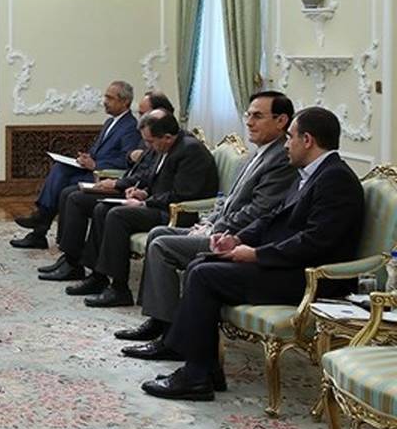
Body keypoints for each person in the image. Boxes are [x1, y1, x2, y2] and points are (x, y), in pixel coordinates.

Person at [144, 107, 365, 401]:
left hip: (312, 279)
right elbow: (272, 218)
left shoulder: (336, 179)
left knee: (205, 275)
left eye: (290, 137)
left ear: (307, 140)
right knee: (201, 263)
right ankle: (206, 369)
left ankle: (195, 376)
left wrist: (256, 254)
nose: (286, 145)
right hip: (287, 266)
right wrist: (237, 238)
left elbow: (315, 242)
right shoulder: (311, 173)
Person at [118, 91, 297, 357]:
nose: (249, 122)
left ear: (281, 121)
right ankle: (158, 320)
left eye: (258, 116)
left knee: (162, 246)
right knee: (158, 233)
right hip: (220, 227)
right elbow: (227, 201)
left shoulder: (282, 158)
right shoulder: (258, 153)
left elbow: (259, 210)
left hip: (237, 238)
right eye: (248, 115)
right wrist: (208, 221)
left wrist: (217, 228)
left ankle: (170, 335)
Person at [64, 110, 219, 307]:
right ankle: (98, 276)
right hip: (160, 205)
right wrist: (141, 193)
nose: (147, 147)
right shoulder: (165, 146)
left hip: (179, 213)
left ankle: (119, 289)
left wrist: (146, 202)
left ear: (167, 137)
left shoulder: (190, 150)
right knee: (102, 209)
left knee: (118, 215)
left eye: (150, 141)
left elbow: (183, 194)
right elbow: (155, 180)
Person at [37, 92, 174, 278]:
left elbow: (158, 180)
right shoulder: (151, 137)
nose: (140, 118)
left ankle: (85, 268)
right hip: (130, 187)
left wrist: (129, 189)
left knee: (78, 199)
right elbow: (138, 166)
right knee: (70, 192)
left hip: (137, 195)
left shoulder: (163, 141)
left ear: (160, 114)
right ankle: (70, 257)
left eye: (144, 113)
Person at [9, 80, 141, 249]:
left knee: (63, 186)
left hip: (105, 177)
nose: (105, 101)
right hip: (92, 170)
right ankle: (40, 223)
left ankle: (40, 224)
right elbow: (98, 150)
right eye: (105, 97)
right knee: (60, 168)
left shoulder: (130, 127)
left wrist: (96, 164)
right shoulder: (110, 122)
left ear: (125, 102)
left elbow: (127, 159)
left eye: (110, 98)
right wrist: (86, 158)